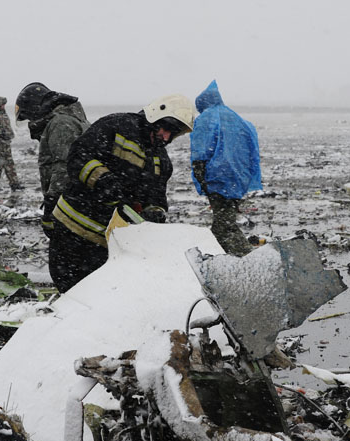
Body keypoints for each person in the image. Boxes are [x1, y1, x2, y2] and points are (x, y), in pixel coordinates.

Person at [47, 93, 196, 292]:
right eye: (166, 128)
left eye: (173, 133)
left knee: (92, 295)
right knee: (68, 289)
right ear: (155, 116)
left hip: (105, 242)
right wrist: (101, 179)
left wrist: (155, 212)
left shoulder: (161, 161)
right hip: (71, 228)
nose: (167, 137)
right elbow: (78, 156)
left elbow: (156, 196)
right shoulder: (116, 126)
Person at [190, 80, 262, 256]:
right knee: (224, 222)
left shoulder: (207, 118)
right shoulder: (237, 119)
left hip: (217, 177)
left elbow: (201, 150)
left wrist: (201, 176)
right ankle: (230, 258)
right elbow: (251, 149)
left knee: (224, 227)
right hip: (238, 178)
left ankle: (247, 260)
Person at [14, 82, 90, 237]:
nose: (30, 122)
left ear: (35, 108)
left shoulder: (61, 123)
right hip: (78, 199)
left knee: (68, 249)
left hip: (72, 203)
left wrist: (53, 201)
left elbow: (64, 165)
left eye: (29, 116)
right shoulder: (65, 120)